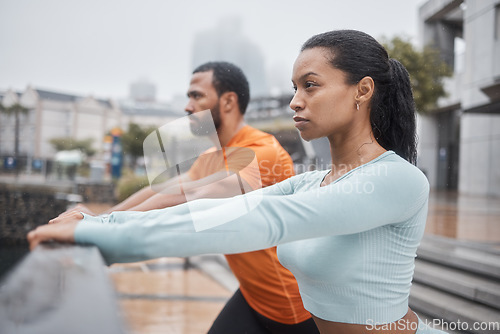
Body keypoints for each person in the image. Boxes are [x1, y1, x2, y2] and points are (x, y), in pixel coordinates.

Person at [28, 30, 447, 334]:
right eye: (294, 87)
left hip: (296, 315)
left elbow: (258, 218)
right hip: (259, 299)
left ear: (363, 91)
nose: (294, 100)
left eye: (311, 86)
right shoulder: (312, 181)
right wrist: (97, 223)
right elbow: (192, 201)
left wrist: (98, 236)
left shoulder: (395, 179)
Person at [56, 61, 319, 334]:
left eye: (197, 95)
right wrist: (100, 218)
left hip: (293, 307)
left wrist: (100, 227)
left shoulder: (262, 152)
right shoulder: (212, 156)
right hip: (254, 295)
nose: (187, 106)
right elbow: (166, 189)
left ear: (228, 101)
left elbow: (190, 195)